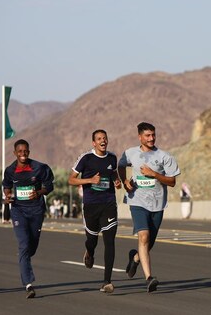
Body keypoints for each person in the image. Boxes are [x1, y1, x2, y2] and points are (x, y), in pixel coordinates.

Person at [118, 122, 180, 293]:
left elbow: (172, 181)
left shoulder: (164, 156)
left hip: (158, 203)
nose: (151, 138)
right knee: (143, 237)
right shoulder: (130, 153)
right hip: (137, 201)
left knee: (149, 241)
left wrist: (155, 174)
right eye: (147, 135)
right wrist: (125, 182)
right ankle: (149, 278)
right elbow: (120, 165)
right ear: (140, 137)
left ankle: (135, 258)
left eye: (153, 135)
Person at [68, 129, 121, 294]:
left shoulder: (112, 157)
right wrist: (90, 180)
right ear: (94, 143)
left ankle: (107, 281)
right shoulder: (86, 158)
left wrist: (117, 181)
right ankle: (89, 252)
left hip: (108, 204)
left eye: (105, 138)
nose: (103, 141)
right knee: (92, 240)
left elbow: (113, 174)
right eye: (99, 139)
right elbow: (71, 179)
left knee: (110, 240)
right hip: (91, 206)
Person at [2, 139, 54, 299]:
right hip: (19, 211)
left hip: (37, 211)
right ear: (15, 153)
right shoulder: (10, 170)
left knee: (32, 246)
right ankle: (28, 284)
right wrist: (7, 196)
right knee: (24, 245)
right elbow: (7, 186)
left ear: (29, 152)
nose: (23, 154)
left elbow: (49, 186)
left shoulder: (39, 168)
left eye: (25, 151)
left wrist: (39, 193)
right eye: (20, 151)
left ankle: (26, 257)